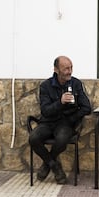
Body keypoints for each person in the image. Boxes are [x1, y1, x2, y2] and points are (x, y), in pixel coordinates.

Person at [29, 56, 91, 184]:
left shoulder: (75, 83)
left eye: (71, 67)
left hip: (65, 124)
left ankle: (47, 165)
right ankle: (55, 166)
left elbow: (86, 107)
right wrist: (60, 102)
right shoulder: (46, 86)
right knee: (33, 138)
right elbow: (45, 111)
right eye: (66, 69)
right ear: (56, 70)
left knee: (62, 139)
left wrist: (71, 119)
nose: (69, 71)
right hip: (48, 122)